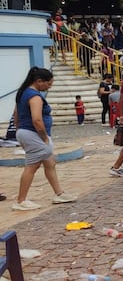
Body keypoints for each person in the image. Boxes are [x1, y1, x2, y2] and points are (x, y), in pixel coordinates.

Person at [12, 67, 77, 210]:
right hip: (34, 134)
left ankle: (59, 193)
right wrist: (44, 138)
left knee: (50, 163)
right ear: (39, 81)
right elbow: (37, 119)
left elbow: (16, 115)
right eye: (48, 84)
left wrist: (20, 132)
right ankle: (20, 200)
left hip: (26, 132)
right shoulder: (34, 96)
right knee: (32, 166)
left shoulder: (22, 93)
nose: (50, 86)